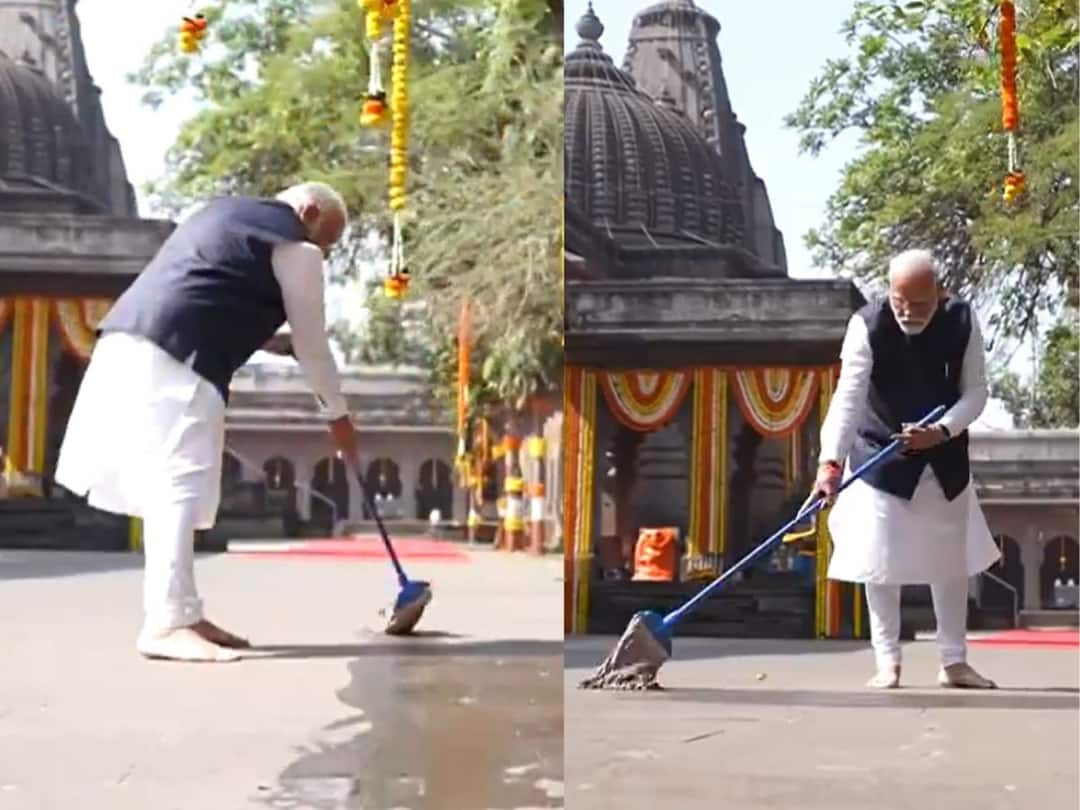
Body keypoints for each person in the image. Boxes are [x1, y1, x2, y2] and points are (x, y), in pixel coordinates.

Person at [55, 182, 360, 663]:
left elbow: (206, 290)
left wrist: (268, 343)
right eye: (326, 238)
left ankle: (183, 611)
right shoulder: (296, 245)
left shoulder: (223, 215)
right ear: (309, 209)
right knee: (179, 481)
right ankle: (166, 622)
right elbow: (313, 342)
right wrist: (338, 416)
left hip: (134, 342)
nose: (322, 251)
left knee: (178, 484)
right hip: (177, 356)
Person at [813, 249, 1001, 689]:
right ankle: (887, 661)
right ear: (889, 291)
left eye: (920, 303)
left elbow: (975, 392)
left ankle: (954, 661)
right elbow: (848, 398)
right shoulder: (866, 324)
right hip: (880, 454)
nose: (908, 311)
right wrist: (830, 463)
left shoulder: (961, 320)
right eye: (900, 300)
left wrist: (942, 430)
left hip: (944, 454)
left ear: (939, 292)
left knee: (949, 561)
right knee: (881, 560)